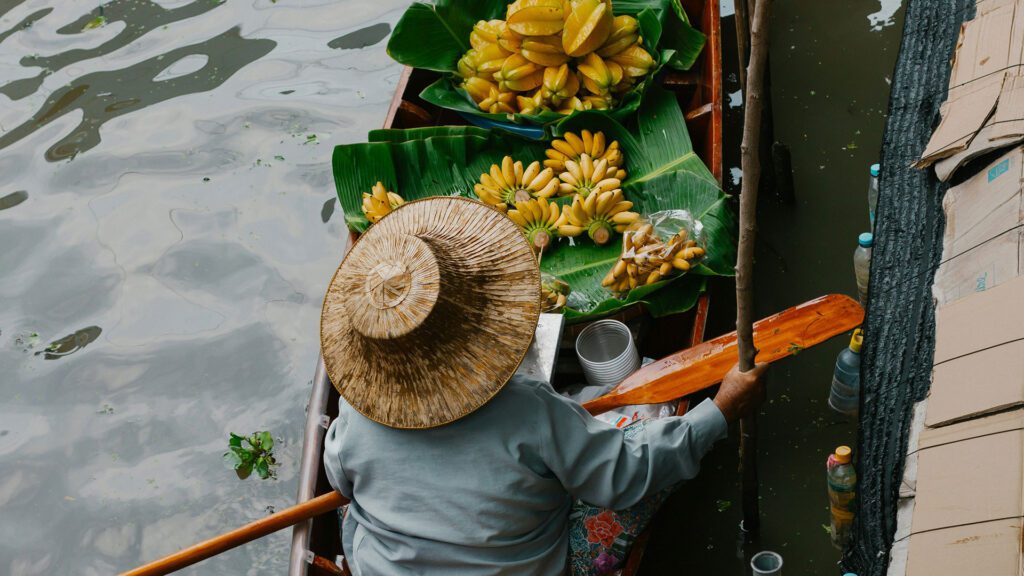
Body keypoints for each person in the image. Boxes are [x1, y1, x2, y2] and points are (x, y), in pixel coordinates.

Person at [318, 197, 767, 575]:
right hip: (521, 566)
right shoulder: (526, 407)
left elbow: (340, 478)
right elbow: (624, 475)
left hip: (382, 565)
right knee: (648, 442)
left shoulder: (358, 410)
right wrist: (721, 409)